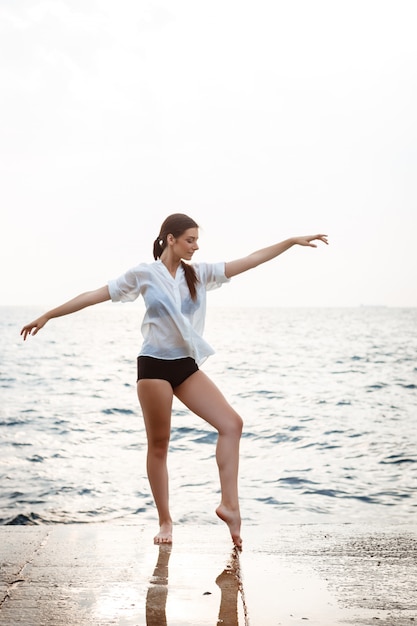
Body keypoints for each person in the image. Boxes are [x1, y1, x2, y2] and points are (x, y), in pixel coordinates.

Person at [21, 213, 328, 549]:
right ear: (170, 239)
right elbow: (95, 294)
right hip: (153, 366)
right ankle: (165, 521)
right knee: (159, 446)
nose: (195, 246)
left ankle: (230, 506)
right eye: (190, 240)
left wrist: (290, 242)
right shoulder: (145, 274)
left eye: (197, 240)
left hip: (185, 366)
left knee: (231, 424)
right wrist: (49, 314)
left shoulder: (200, 273)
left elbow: (251, 260)